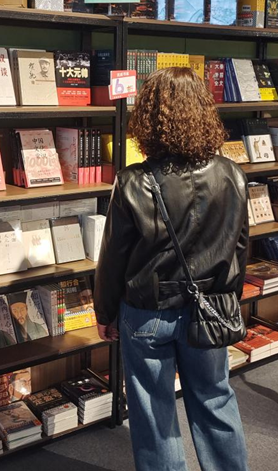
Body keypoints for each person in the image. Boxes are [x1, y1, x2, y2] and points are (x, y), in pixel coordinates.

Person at [94, 67, 250, 471]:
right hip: (210, 308)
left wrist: (105, 313)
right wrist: (226, 301)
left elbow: (113, 258)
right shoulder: (232, 173)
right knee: (215, 398)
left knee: (153, 410)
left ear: (149, 118)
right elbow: (240, 247)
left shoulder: (132, 181)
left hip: (147, 312)